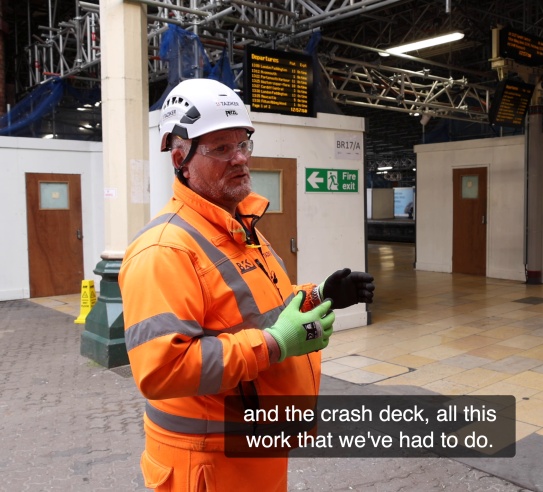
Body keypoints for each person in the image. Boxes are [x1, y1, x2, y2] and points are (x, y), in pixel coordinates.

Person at [119, 78, 374, 491]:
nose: (239, 159)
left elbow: (261, 314)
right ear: (180, 157)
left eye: (244, 144)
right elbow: (163, 369)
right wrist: (275, 345)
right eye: (221, 148)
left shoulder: (241, 228)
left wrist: (319, 296)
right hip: (207, 466)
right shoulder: (165, 249)